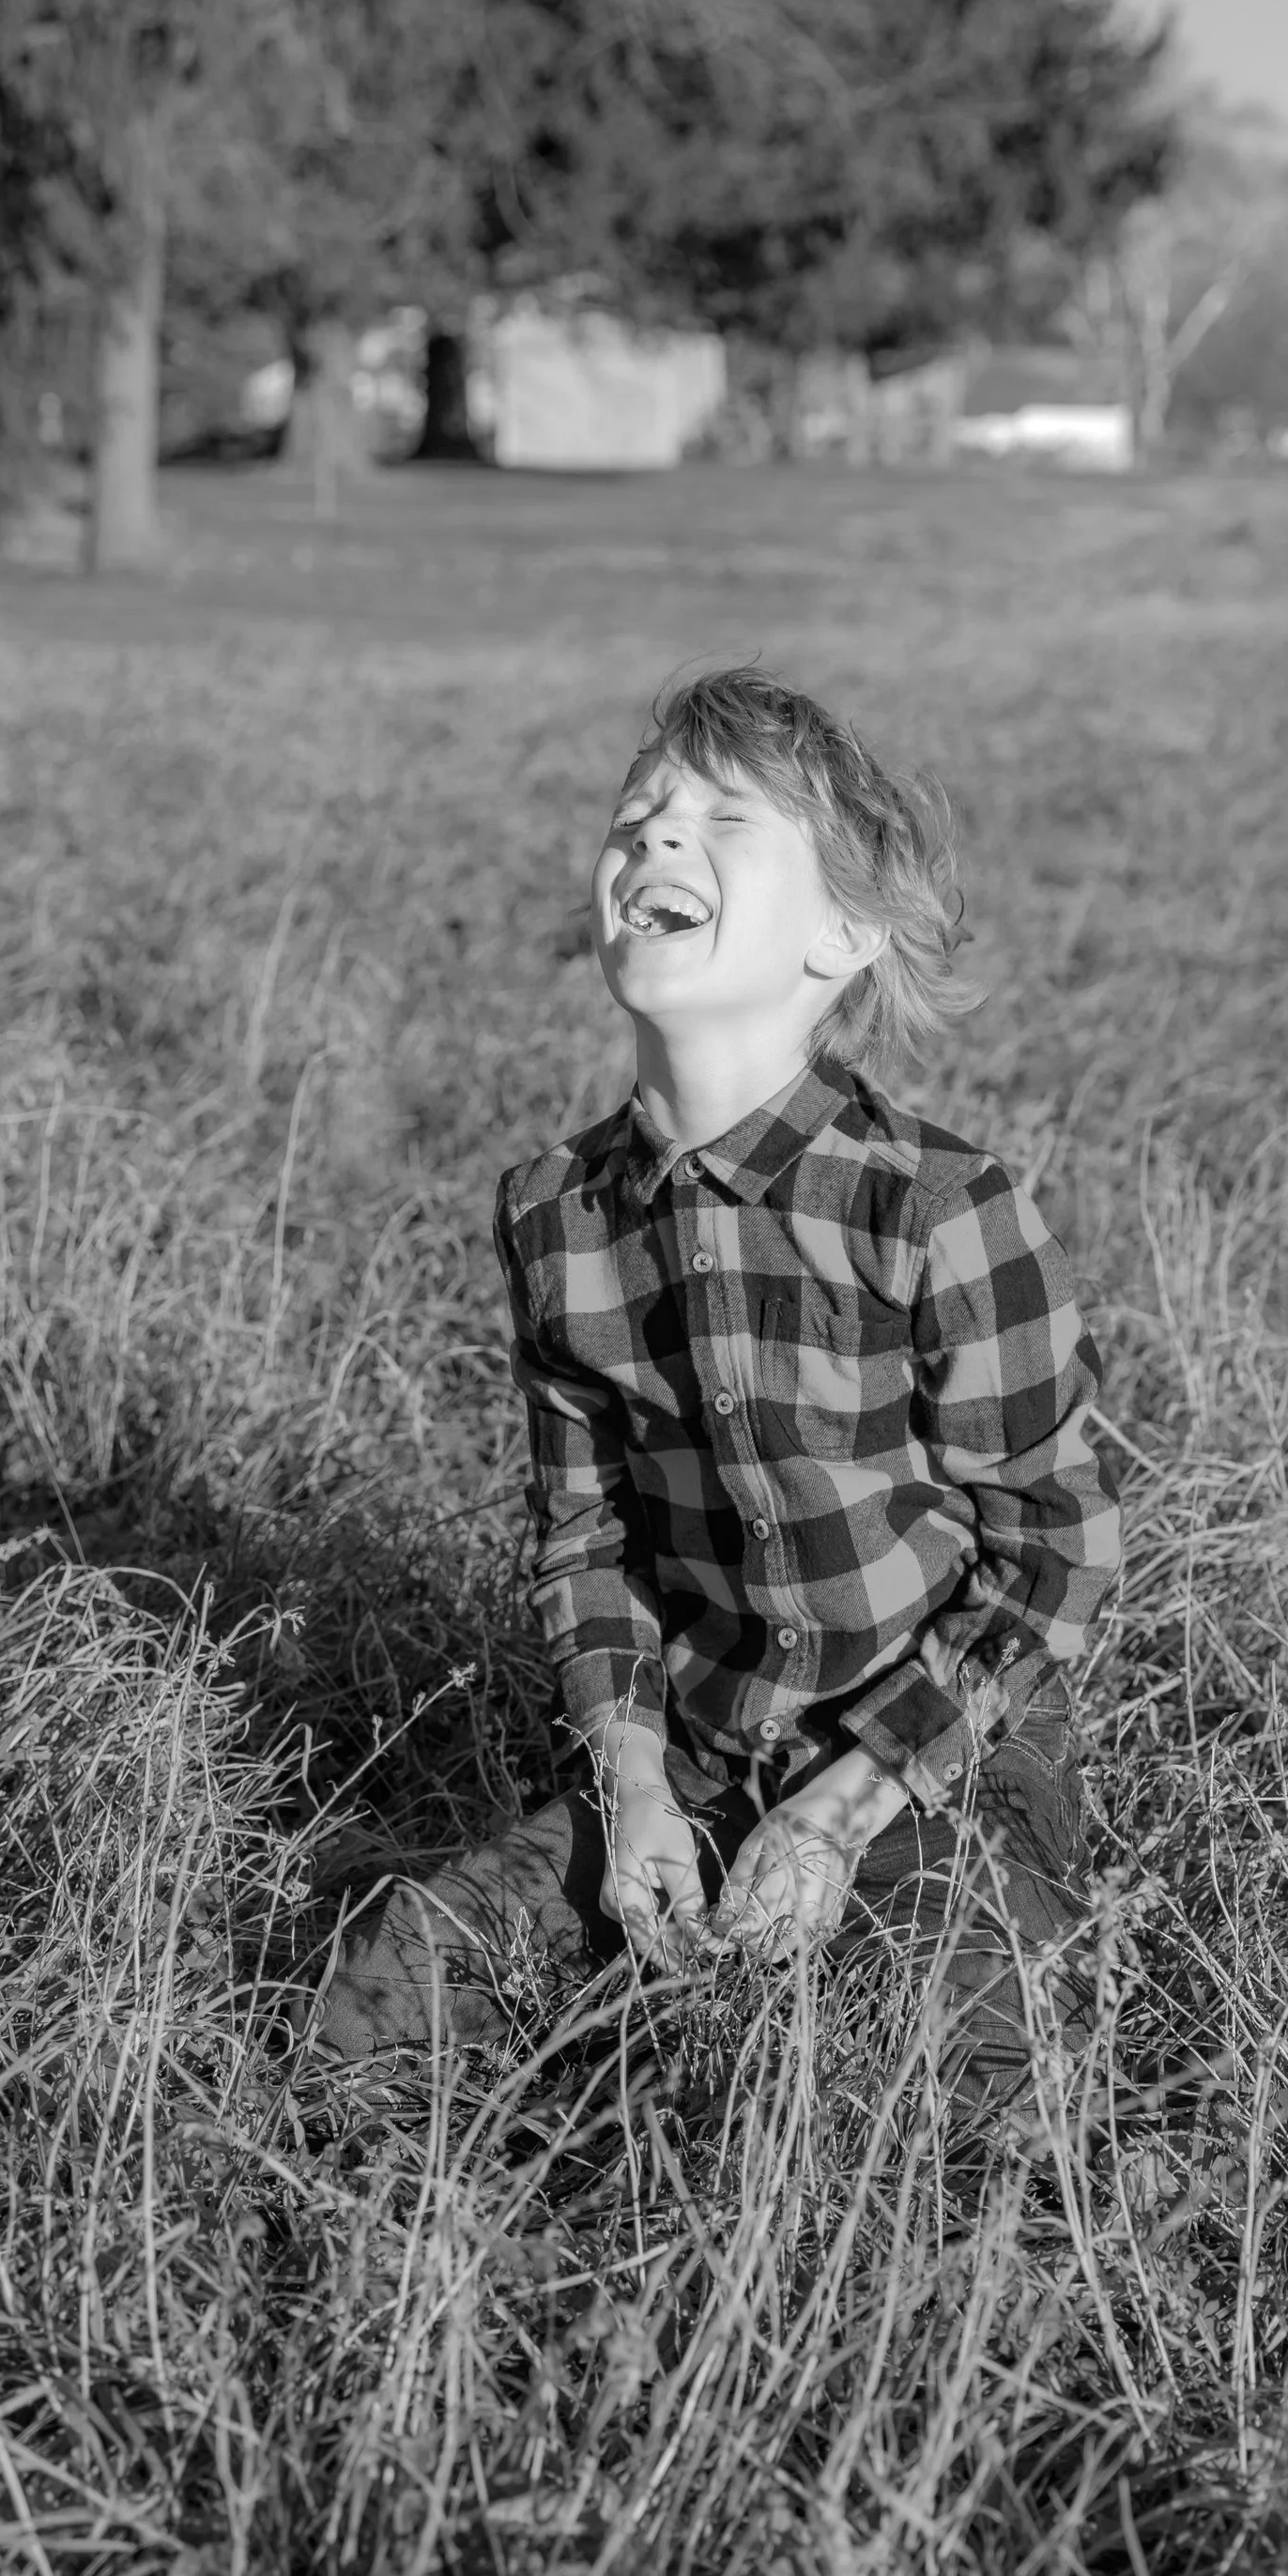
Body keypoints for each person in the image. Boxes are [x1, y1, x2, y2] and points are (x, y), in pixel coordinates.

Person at [312, 664, 1121, 2109]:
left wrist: (845, 1800)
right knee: (383, 1992)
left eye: (721, 819)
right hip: (695, 1740)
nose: (655, 839)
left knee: (960, 2065)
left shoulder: (936, 1207)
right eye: (640, 814)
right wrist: (630, 1795)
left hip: (937, 1745)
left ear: (844, 935)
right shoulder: (556, 1214)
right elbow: (591, 1539)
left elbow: (1051, 1556)